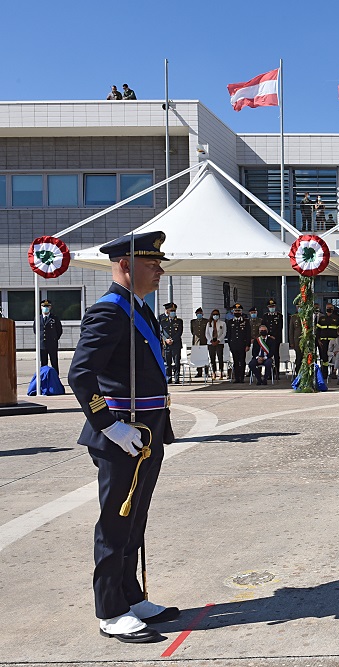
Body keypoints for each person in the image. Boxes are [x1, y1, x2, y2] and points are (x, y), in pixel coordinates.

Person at [67, 231, 178, 643]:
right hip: (121, 435)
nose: (160, 270)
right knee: (115, 524)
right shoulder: (108, 312)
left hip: (147, 432)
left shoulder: (140, 309)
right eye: (153, 264)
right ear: (126, 266)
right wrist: (109, 426)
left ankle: (131, 597)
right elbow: (80, 375)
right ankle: (110, 610)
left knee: (136, 520)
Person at [37, 299, 63, 375]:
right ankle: (43, 378)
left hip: (52, 344)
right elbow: (36, 330)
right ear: (41, 307)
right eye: (44, 306)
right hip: (42, 344)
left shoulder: (54, 318)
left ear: (50, 307)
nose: (45, 308)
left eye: (47, 306)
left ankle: (55, 379)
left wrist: (54, 339)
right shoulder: (38, 318)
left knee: (54, 362)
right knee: (43, 363)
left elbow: (59, 330)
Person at [227, 303, 251, 383]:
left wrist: (248, 345)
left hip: (242, 345)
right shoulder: (230, 322)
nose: (237, 312)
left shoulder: (245, 321)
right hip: (234, 345)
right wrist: (230, 345)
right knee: (236, 361)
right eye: (235, 310)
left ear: (241, 312)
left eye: (238, 311)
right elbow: (229, 335)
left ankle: (242, 377)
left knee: (242, 361)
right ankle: (237, 378)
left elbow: (248, 334)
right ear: (233, 312)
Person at [160, 303, 183, 384]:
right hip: (167, 345)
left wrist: (172, 340)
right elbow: (162, 332)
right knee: (168, 363)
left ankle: (177, 379)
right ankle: (168, 378)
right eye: (171, 311)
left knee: (177, 362)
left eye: (174, 311)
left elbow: (179, 332)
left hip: (176, 344)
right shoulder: (163, 321)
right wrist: (166, 340)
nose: (173, 312)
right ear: (167, 311)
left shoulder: (179, 321)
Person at [315, 304, 339, 380]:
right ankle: (324, 375)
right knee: (324, 357)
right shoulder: (322, 318)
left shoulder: (336, 318)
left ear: (333, 309)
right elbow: (318, 330)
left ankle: (333, 373)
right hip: (323, 341)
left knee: (333, 357)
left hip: (333, 342)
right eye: (328, 308)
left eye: (330, 308)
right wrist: (318, 340)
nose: (329, 309)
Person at [206, 309, 226, 380]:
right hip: (211, 342)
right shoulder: (209, 323)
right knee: (212, 358)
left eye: (217, 314)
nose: (215, 316)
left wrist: (218, 340)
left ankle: (221, 372)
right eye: (214, 314)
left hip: (219, 342)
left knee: (220, 357)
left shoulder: (222, 323)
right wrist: (211, 340)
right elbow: (207, 333)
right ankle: (214, 372)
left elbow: (224, 333)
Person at [289, 309, 303, 375]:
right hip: (297, 341)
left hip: (305, 340)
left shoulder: (307, 316)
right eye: (298, 306)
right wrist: (291, 342)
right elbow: (291, 331)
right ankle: (298, 372)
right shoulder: (294, 317)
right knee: (298, 357)